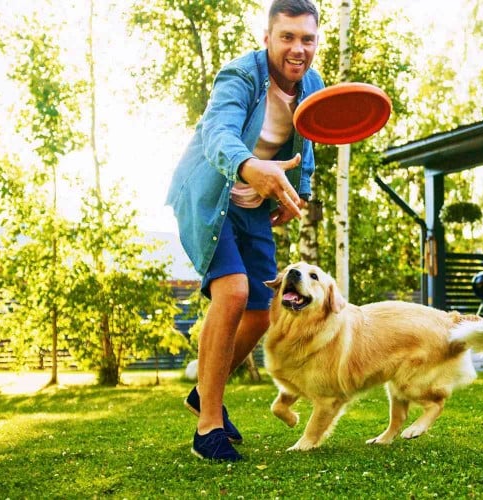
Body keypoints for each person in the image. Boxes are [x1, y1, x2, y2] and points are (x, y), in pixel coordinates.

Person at [166, 0, 324, 461]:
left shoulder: (311, 84)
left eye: (307, 39)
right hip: (210, 196)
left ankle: (203, 391)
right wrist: (250, 167)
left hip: (255, 204)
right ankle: (208, 425)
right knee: (232, 292)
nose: (298, 48)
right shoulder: (241, 77)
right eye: (288, 37)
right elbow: (218, 133)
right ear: (268, 38)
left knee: (262, 309)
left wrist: (300, 193)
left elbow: (306, 143)